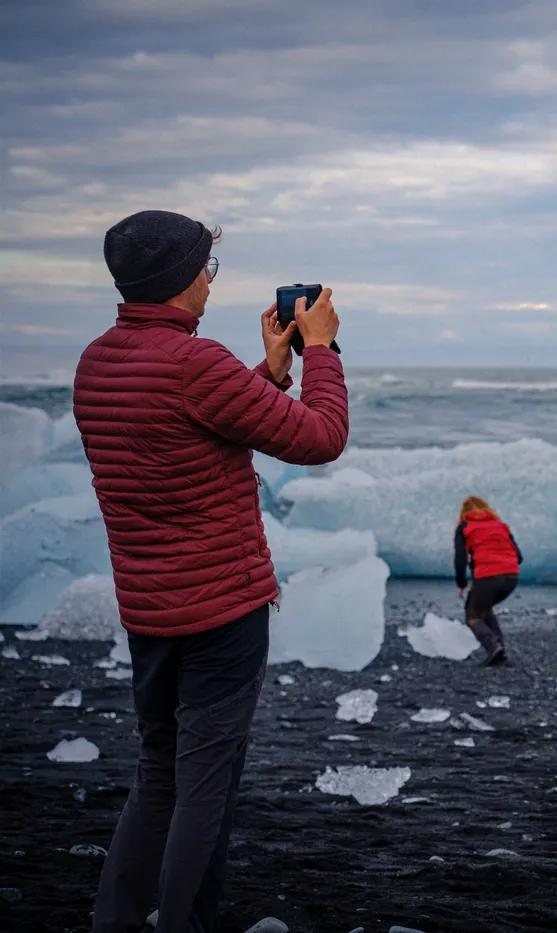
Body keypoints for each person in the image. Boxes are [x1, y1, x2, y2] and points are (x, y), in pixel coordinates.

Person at [75, 210, 349, 933]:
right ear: (176, 280)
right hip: (221, 614)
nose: (209, 281)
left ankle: (117, 920)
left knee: (160, 770)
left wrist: (270, 373)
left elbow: (180, 440)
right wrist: (321, 351)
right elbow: (322, 438)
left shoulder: (98, 362)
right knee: (206, 783)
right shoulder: (195, 364)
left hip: (150, 611)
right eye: (206, 268)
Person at [454, 495, 522, 666]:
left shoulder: (465, 527)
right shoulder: (501, 526)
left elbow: (460, 559)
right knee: (483, 608)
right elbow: (518, 556)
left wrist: (461, 584)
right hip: (512, 577)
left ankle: (493, 646)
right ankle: (500, 649)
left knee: (473, 615)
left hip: (488, 577)